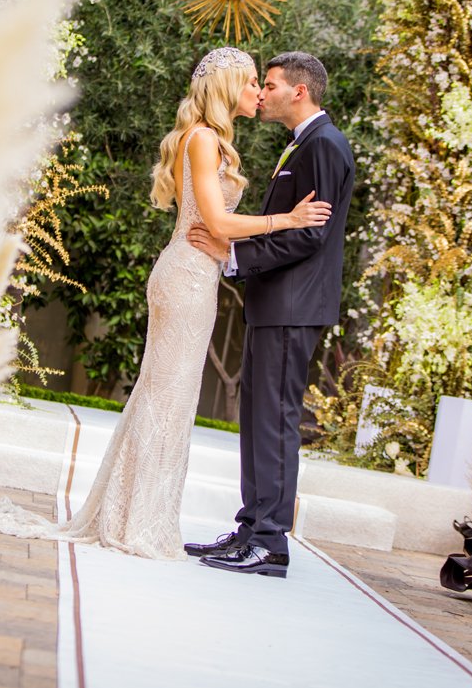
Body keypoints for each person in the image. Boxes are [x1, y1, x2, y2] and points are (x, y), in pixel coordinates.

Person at [0, 47, 331, 559]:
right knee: (166, 397)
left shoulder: (211, 140)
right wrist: (285, 220)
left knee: (168, 398)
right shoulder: (202, 139)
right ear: (228, 87)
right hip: (186, 277)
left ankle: (138, 514)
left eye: (262, 84)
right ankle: (136, 521)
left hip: (197, 274)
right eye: (251, 82)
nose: (258, 93)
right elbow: (216, 223)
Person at [185, 51, 355, 578]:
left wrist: (234, 256)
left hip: (293, 304)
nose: (263, 94)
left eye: (272, 85)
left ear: (299, 92)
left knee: (275, 421)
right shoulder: (302, 143)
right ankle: (251, 527)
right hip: (276, 303)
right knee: (259, 419)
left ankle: (270, 542)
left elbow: (310, 235)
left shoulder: (323, 144)